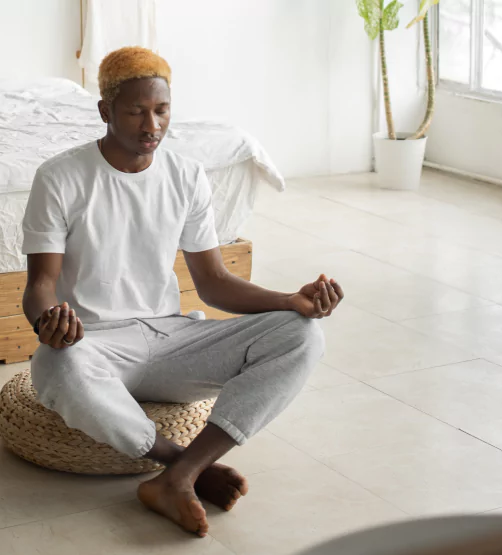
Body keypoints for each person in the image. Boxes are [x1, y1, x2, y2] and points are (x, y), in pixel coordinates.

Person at [21, 46, 344, 537]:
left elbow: (213, 283)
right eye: (135, 111)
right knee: (51, 364)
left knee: (302, 336)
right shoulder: (61, 177)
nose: (151, 124)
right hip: (97, 345)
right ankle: (186, 467)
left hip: (172, 338)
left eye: (162, 110)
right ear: (106, 111)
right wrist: (50, 325)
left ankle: (178, 477)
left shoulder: (186, 175)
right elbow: (40, 286)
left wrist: (290, 302)